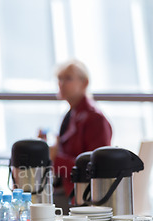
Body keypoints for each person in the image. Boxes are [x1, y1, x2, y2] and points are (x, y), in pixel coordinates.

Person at [43, 59, 112, 200]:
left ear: (84, 83)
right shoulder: (72, 115)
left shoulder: (95, 119)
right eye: (59, 79)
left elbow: (97, 168)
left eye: (68, 79)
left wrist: (55, 157)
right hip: (69, 189)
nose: (61, 84)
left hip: (82, 195)